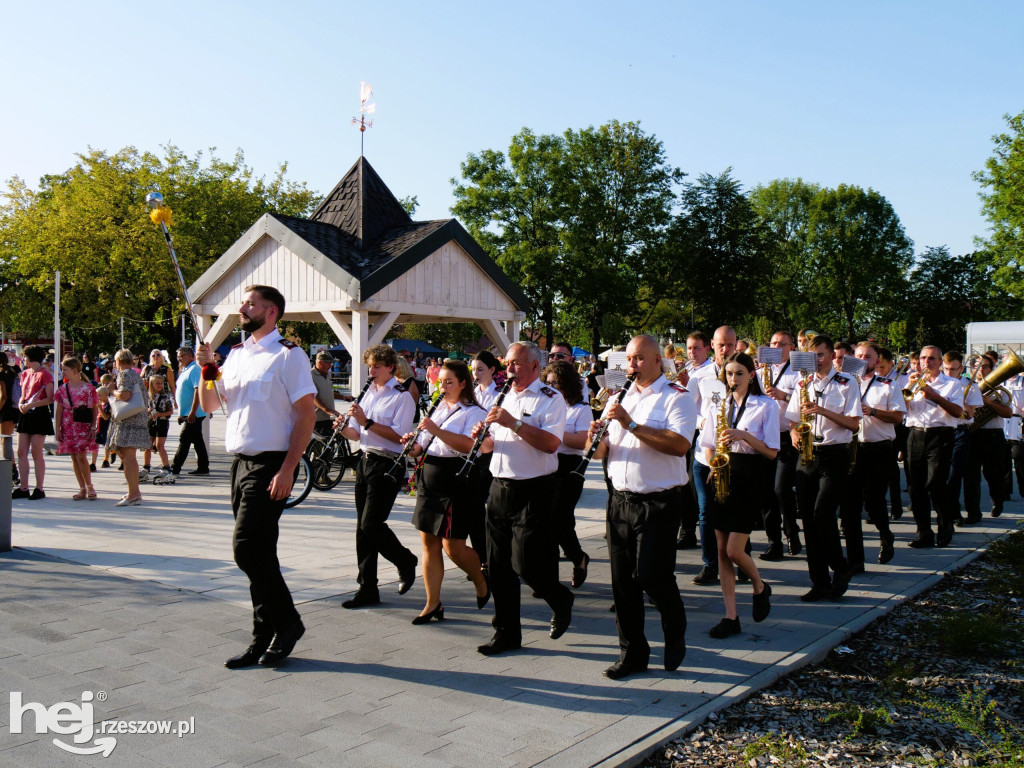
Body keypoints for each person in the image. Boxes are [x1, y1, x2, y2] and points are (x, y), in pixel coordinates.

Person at [196, 285, 316, 668]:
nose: (242, 307)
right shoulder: (237, 354)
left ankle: (289, 623)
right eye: (243, 301)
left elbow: (307, 415)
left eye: (250, 303)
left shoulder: (288, 356)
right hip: (240, 463)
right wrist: (206, 371)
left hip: (271, 464)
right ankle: (264, 635)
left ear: (271, 312)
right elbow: (211, 403)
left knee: (246, 549)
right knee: (259, 554)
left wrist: (288, 469)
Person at [585, 334, 694, 678]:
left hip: (659, 502)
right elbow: (602, 452)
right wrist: (595, 435)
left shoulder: (677, 397)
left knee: (651, 576)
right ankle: (633, 653)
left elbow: (678, 445)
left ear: (658, 360)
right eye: (629, 360)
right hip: (620, 501)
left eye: (640, 359)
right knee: (623, 583)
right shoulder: (618, 398)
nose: (632, 366)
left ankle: (674, 627)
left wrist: (629, 423)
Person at [473, 341, 574, 656]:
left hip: (534, 489)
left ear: (534, 365)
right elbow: (495, 444)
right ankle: (506, 633)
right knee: (499, 566)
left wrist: (513, 423)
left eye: (516, 364)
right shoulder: (503, 397)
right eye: (508, 364)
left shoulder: (550, 399)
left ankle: (559, 598)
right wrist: (483, 438)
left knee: (525, 563)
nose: (509, 370)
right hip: (500, 486)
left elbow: (550, 444)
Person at [401, 360, 491, 624]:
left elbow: (467, 446)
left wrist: (436, 430)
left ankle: (480, 577)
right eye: (441, 381)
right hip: (430, 476)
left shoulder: (474, 411)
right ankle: (433, 603)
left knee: (453, 546)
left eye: (449, 381)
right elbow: (424, 445)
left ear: (463, 384)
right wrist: (412, 444)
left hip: (456, 478)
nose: (443, 386)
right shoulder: (439, 407)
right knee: (428, 542)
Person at [699, 352, 777, 638]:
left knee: (735, 550)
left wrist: (743, 436)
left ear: (751, 375)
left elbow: (770, 452)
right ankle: (730, 616)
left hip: (750, 475)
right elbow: (707, 441)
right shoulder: (718, 403)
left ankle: (759, 585)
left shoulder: (765, 405)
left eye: (739, 373)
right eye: (729, 374)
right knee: (721, 551)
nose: (733, 379)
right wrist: (713, 463)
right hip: (722, 472)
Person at [336, 344, 419, 609]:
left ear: (390, 368)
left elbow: (400, 436)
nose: (371, 371)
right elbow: (357, 434)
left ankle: (405, 560)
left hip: (388, 462)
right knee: (362, 527)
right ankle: (367, 587)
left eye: (376, 366)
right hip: (365, 459)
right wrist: (342, 427)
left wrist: (367, 422)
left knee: (372, 524)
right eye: (369, 366)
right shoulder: (368, 393)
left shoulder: (402, 396)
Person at [785, 335, 860, 602]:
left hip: (834, 454)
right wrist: (794, 434)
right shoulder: (802, 383)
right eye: (811, 355)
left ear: (830, 356)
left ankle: (841, 566)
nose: (816, 360)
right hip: (808, 455)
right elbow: (793, 420)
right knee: (807, 519)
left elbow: (853, 425)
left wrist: (822, 411)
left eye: (820, 355)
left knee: (822, 515)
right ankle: (820, 582)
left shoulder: (846, 382)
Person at [839, 342, 905, 571]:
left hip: (878, 448)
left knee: (875, 503)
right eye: (858, 355)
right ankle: (855, 560)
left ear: (877, 361)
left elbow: (898, 418)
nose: (863, 359)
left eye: (868, 356)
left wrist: (872, 411)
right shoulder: (844, 384)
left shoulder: (888, 385)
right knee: (850, 505)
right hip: (852, 448)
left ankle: (885, 535)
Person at [903, 346, 964, 548]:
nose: (926, 362)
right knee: (916, 487)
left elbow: (957, 412)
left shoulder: (953, 384)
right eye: (923, 358)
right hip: (916, 434)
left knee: (935, 483)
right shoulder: (910, 381)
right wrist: (904, 393)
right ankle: (924, 533)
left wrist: (934, 395)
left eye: (931, 359)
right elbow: (900, 410)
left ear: (939, 362)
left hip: (941, 435)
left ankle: (945, 526)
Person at [692, 326, 738, 586]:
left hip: (734, 454)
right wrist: (706, 423)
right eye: (721, 344)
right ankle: (710, 564)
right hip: (705, 453)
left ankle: (740, 558)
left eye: (730, 344)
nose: (725, 349)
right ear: (712, 345)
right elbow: (688, 409)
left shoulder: (741, 371)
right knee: (707, 512)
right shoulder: (700, 375)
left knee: (734, 509)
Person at [543, 359, 592, 588]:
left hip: (569, 466)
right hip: (547, 465)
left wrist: (554, 433)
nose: (552, 388)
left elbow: (583, 441)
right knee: (549, 524)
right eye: (549, 383)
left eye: (557, 383)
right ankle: (550, 577)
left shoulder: (580, 409)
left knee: (557, 523)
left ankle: (578, 557)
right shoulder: (545, 406)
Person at [760, 330, 803, 558]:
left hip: (786, 436)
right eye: (773, 343)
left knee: (781, 488)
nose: (776, 347)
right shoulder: (760, 371)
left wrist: (783, 395)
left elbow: (804, 401)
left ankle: (791, 531)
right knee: (767, 492)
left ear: (791, 347)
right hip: (765, 438)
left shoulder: (798, 372)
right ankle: (773, 541)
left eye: (782, 344)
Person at [963, 356, 1011, 521]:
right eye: (977, 366)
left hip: (993, 435)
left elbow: (1008, 413)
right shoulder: (966, 388)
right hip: (972, 434)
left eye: (985, 367)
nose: (980, 370)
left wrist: (988, 403)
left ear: (992, 369)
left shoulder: (999, 390)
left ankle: (997, 501)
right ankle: (973, 512)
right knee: (970, 476)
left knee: (994, 475)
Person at [108, 348, 151, 507]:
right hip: (136, 419)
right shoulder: (134, 374)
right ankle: (133, 491)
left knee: (128, 457)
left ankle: (134, 493)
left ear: (118, 361)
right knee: (126, 455)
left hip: (129, 420)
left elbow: (125, 395)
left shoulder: (124, 374)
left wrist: (112, 390)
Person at [54, 356, 100, 500]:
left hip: (83, 425)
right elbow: (59, 410)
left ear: (74, 370)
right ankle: (82, 488)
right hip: (68, 426)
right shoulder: (62, 388)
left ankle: (89, 486)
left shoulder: (88, 388)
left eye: (65, 370)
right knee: (74, 456)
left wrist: (93, 427)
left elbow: (94, 409)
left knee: (81, 456)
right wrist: (57, 429)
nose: (63, 372)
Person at [12, 345, 54, 500]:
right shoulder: (25, 374)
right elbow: (23, 394)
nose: (23, 359)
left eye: (24, 356)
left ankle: (39, 488)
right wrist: (22, 404)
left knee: (37, 452)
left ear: (30, 357)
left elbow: (49, 398)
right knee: (21, 451)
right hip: (25, 413)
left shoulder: (45, 374)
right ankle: (23, 487)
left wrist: (31, 405)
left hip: (39, 414)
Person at [171, 347, 210, 476]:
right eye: (178, 357)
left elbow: (197, 390)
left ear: (189, 355)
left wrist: (192, 411)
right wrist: (181, 414)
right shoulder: (186, 369)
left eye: (181, 356)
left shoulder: (194, 369)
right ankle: (203, 466)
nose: (179, 359)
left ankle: (175, 468)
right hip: (188, 412)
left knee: (184, 439)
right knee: (197, 440)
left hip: (194, 413)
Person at [144, 375, 174, 479]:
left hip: (162, 422)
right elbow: (144, 409)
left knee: (160, 446)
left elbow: (170, 411)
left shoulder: (165, 397)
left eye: (161, 383)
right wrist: (148, 411)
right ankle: (146, 466)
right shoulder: (147, 396)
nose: (160, 385)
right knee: (148, 445)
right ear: (151, 384)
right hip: (151, 422)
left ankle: (166, 466)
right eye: (157, 383)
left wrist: (160, 414)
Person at [311, 351, 341, 437]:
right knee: (319, 448)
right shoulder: (310, 375)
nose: (330, 366)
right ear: (320, 362)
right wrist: (327, 410)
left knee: (329, 447)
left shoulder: (327, 375)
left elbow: (328, 392)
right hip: (318, 420)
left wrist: (344, 397)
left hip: (329, 418)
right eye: (329, 363)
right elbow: (313, 396)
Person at [0, 352, 19, 483]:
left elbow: (3, 396)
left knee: (4, 441)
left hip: (4, 409)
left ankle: (11, 472)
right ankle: (12, 471)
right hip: (13, 408)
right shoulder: (12, 372)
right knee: (6, 440)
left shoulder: (1, 374)